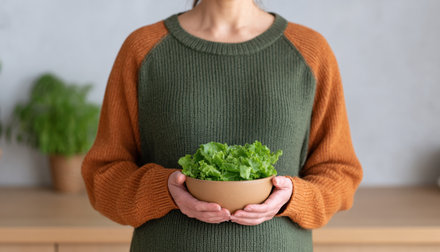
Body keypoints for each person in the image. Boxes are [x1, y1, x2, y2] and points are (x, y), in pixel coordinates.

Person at [81, 0, 363, 251]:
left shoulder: (310, 52)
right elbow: (103, 176)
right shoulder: (143, 50)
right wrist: (164, 190)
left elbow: (340, 172)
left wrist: (293, 197)